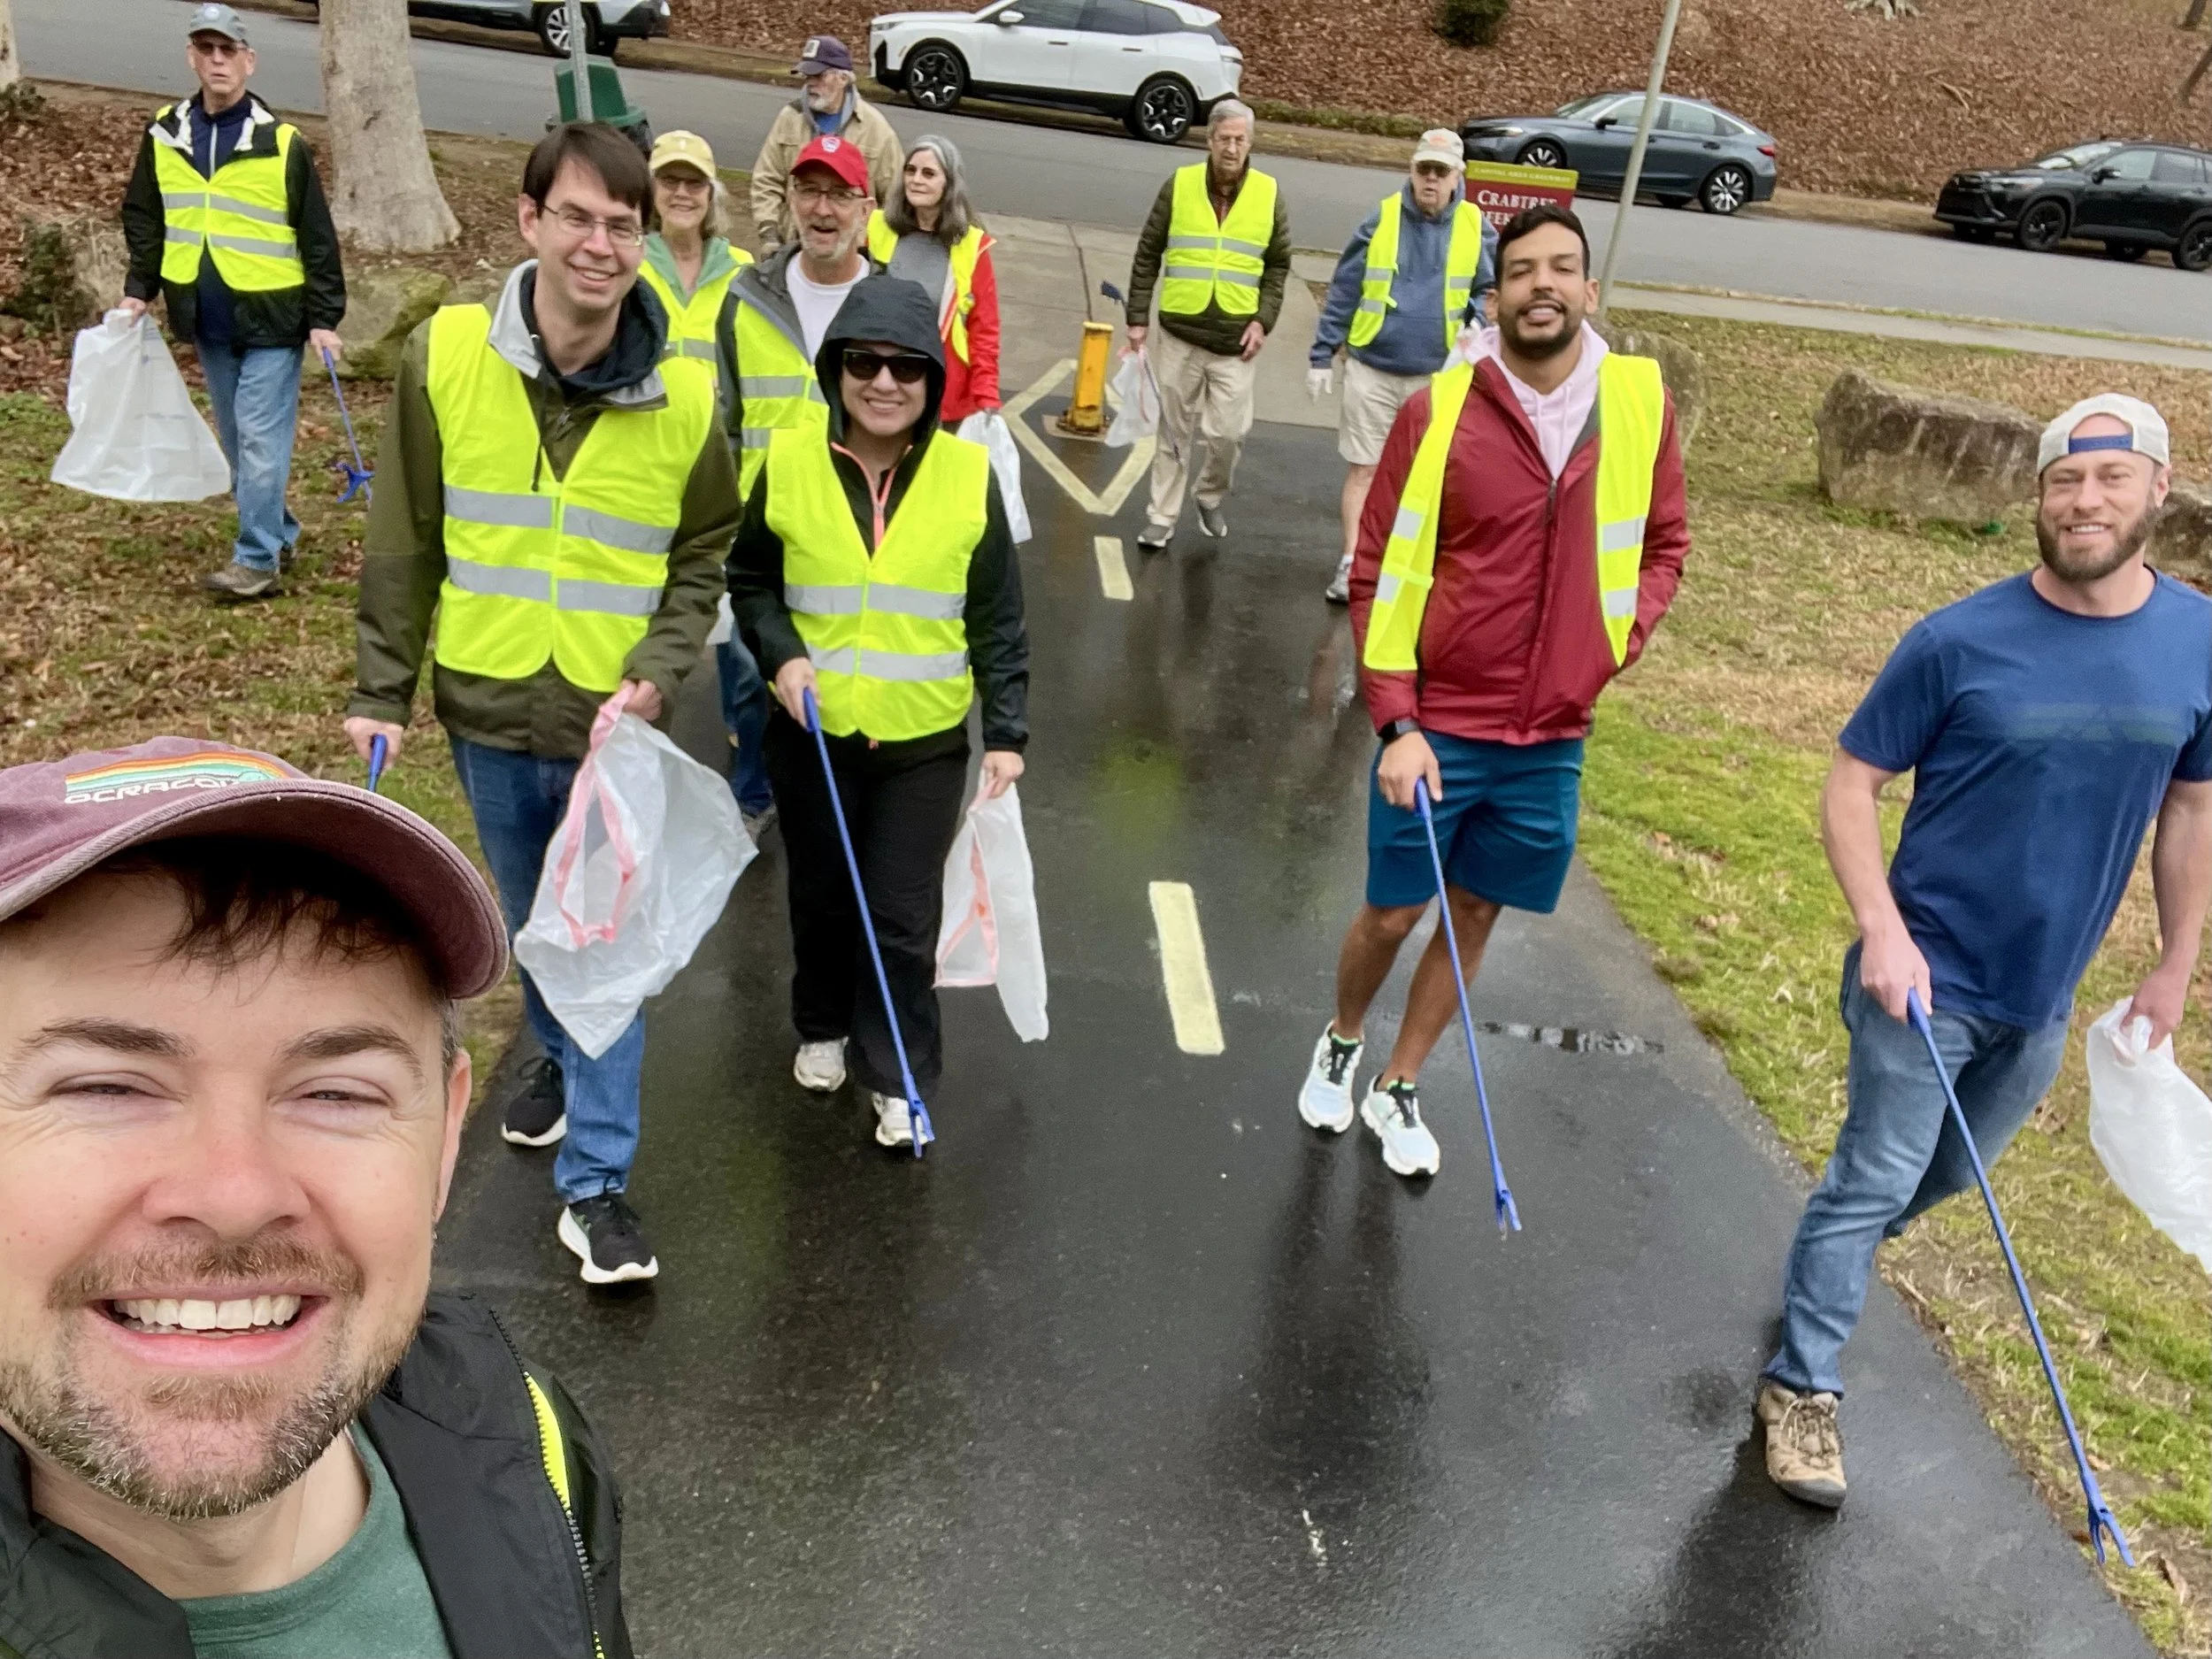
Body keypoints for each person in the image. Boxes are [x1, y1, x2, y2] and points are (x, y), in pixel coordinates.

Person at [0, 736, 629, 1656]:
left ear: (444, 1138)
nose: (235, 1193)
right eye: (107, 1088)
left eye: (337, 1093)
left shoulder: (518, 1432)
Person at [1756, 395, 2212, 1512]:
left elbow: (2192, 810)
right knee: (1873, 1176)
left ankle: (1829, 1265)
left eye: (2110, 478)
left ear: (2158, 489)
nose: (2084, 500)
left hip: (2041, 993)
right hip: (1923, 978)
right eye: (2065, 480)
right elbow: (1852, 783)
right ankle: (1800, 1389)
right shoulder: (1958, 639)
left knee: (1940, 1179)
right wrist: (1881, 928)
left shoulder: (2198, 639)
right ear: (2039, 497)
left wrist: (2174, 963)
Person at [344, 124, 740, 1287]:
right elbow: (405, 538)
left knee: (601, 950)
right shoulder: (450, 355)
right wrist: (383, 686)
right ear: (530, 223)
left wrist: (663, 666)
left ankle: (598, 1187)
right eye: (578, 216)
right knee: (533, 929)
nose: (601, 242)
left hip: (611, 732)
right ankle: (560, 1063)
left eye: (623, 224)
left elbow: (703, 549)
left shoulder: (684, 394)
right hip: (485, 707)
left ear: (646, 240)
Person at [1299, 204, 1688, 1179]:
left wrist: (1612, 642)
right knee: (1392, 913)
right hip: (1438, 724)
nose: (1542, 285)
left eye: (1562, 269)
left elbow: (1663, 545)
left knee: (1473, 914)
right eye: (1522, 272)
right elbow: (1375, 567)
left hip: (1552, 731)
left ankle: (1398, 1082)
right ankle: (1343, 1037)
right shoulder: (1442, 408)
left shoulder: (1638, 401)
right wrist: (1395, 722)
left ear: (1589, 290)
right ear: (1497, 294)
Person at [727, 274, 1029, 1150]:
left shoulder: (969, 476)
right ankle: (820, 1024)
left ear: (933, 380)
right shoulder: (786, 460)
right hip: (811, 738)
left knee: (899, 918)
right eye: (864, 362)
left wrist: (1006, 732)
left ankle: (897, 1069)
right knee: (821, 898)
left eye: (906, 367)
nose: (884, 382)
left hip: (922, 748)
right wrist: (779, 653)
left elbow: (997, 618)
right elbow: (750, 580)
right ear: (837, 370)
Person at [118, 2, 345, 603]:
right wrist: (140, 287)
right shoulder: (165, 133)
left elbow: (316, 235)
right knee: (237, 442)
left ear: (249, 61)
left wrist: (324, 317)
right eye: (207, 50)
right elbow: (144, 213)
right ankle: (279, 532)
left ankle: (256, 561)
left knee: (261, 440)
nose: (217, 61)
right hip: (206, 316)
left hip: (274, 319)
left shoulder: (280, 142)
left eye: (228, 51)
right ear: (192, 57)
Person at [637, 129, 776, 835]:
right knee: (644, 641)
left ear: (712, 194)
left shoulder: (745, 272)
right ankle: (637, 784)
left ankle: (751, 790)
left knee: (745, 653)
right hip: (644, 477)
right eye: (670, 181)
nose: (683, 193)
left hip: (727, 477)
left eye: (695, 182)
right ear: (652, 192)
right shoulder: (631, 266)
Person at [1310, 129, 1495, 604]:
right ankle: (1352, 563)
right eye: (1423, 170)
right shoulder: (1382, 219)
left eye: (1441, 172)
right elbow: (1347, 286)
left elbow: (1491, 289)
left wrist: (1476, 324)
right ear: (1411, 172)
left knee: (1428, 478)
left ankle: (1412, 570)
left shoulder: (1478, 227)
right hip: (1372, 367)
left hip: (1436, 376)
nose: (1431, 180)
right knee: (1364, 470)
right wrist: (1322, 352)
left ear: (1459, 177)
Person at [1124, 99, 1291, 551]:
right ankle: (1161, 515)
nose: (1232, 148)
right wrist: (1136, 318)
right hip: (1180, 332)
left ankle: (1209, 496)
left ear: (1251, 143)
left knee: (1227, 435)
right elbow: (1147, 253)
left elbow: (1277, 266)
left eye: (1240, 140)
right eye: (1224, 139)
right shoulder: (1178, 186)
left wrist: (1263, 321)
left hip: (1236, 341)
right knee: (1173, 432)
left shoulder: (1269, 194)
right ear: (1210, 140)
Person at [726, 134, 883, 502]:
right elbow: (724, 431)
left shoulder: (892, 309)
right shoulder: (745, 298)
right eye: (809, 190)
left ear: (866, 210)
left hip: (848, 534)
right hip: (756, 536)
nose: (822, 209)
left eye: (840, 194)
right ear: (791, 200)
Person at [868, 134, 1002, 425]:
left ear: (949, 184)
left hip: (940, 390)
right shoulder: (877, 228)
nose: (916, 180)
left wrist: (986, 393)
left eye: (929, 173)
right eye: (911, 170)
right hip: (880, 382)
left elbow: (984, 331)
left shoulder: (972, 246)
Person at [749, 35, 901, 250]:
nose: (811, 83)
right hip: (792, 247)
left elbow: (896, 200)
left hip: (852, 254)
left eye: (819, 75)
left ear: (843, 79)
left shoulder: (876, 129)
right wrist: (769, 235)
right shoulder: (790, 118)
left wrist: (870, 250)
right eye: (807, 75)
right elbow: (766, 180)